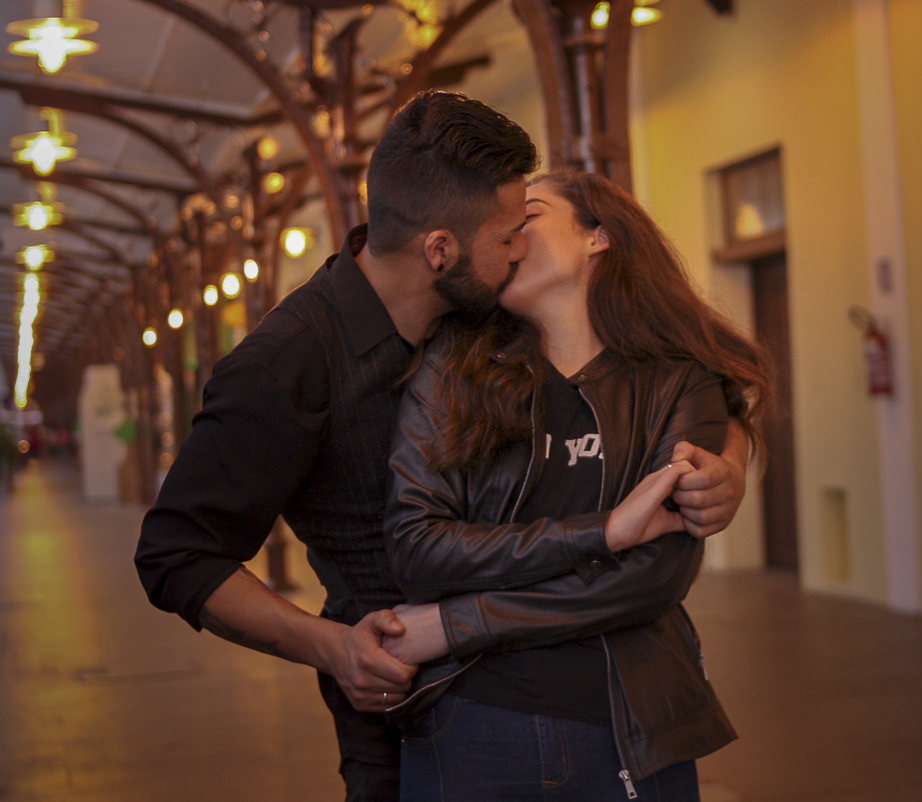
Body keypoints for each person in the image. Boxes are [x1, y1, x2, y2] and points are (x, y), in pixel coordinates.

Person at [134, 92, 748, 802]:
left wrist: (722, 466)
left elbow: (685, 372)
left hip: (569, 687)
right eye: (508, 233)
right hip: (399, 696)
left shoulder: (488, 320)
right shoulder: (288, 362)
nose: (519, 246)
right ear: (440, 249)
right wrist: (331, 646)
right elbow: (176, 555)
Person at [381, 171, 773, 801]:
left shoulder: (679, 384)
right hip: (472, 719)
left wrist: (459, 622)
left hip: (630, 725)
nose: (506, 232)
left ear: (599, 236)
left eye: (528, 213)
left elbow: (656, 572)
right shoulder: (452, 367)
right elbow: (417, 548)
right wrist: (606, 532)